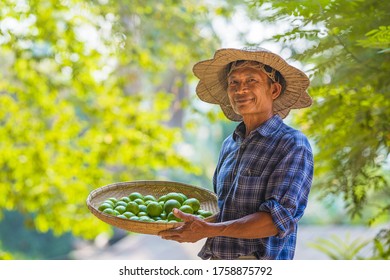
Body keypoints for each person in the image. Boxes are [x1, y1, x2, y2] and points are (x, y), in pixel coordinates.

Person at [159, 47, 314, 260]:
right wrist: (193, 222)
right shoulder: (229, 145)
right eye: (234, 83)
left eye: (252, 81)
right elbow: (222, 209)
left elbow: (275, 220)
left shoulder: (292, 144)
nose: (241, 90)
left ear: (274, 90)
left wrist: (208, 230)